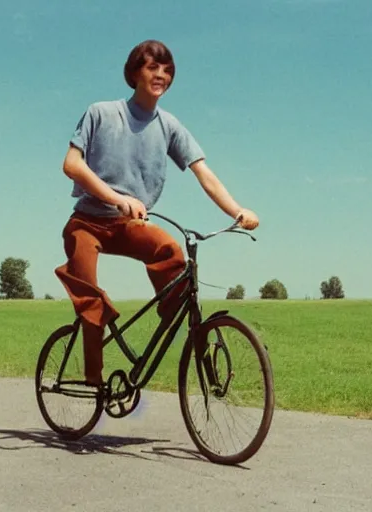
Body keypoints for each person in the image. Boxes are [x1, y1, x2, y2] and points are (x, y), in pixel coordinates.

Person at [54, 40, 260, 388]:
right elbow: (71, 165)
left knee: (171, 253)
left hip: (130, 224)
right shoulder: (101, 112)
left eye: (167, 70)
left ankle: (169, 331)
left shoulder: (170, 126)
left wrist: (238, 210)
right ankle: (93, 377)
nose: (161, 75)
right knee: (89, 295)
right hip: (87, 222)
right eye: (153, 68)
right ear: (135, 72)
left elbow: (204, 174)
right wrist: (117, 197)